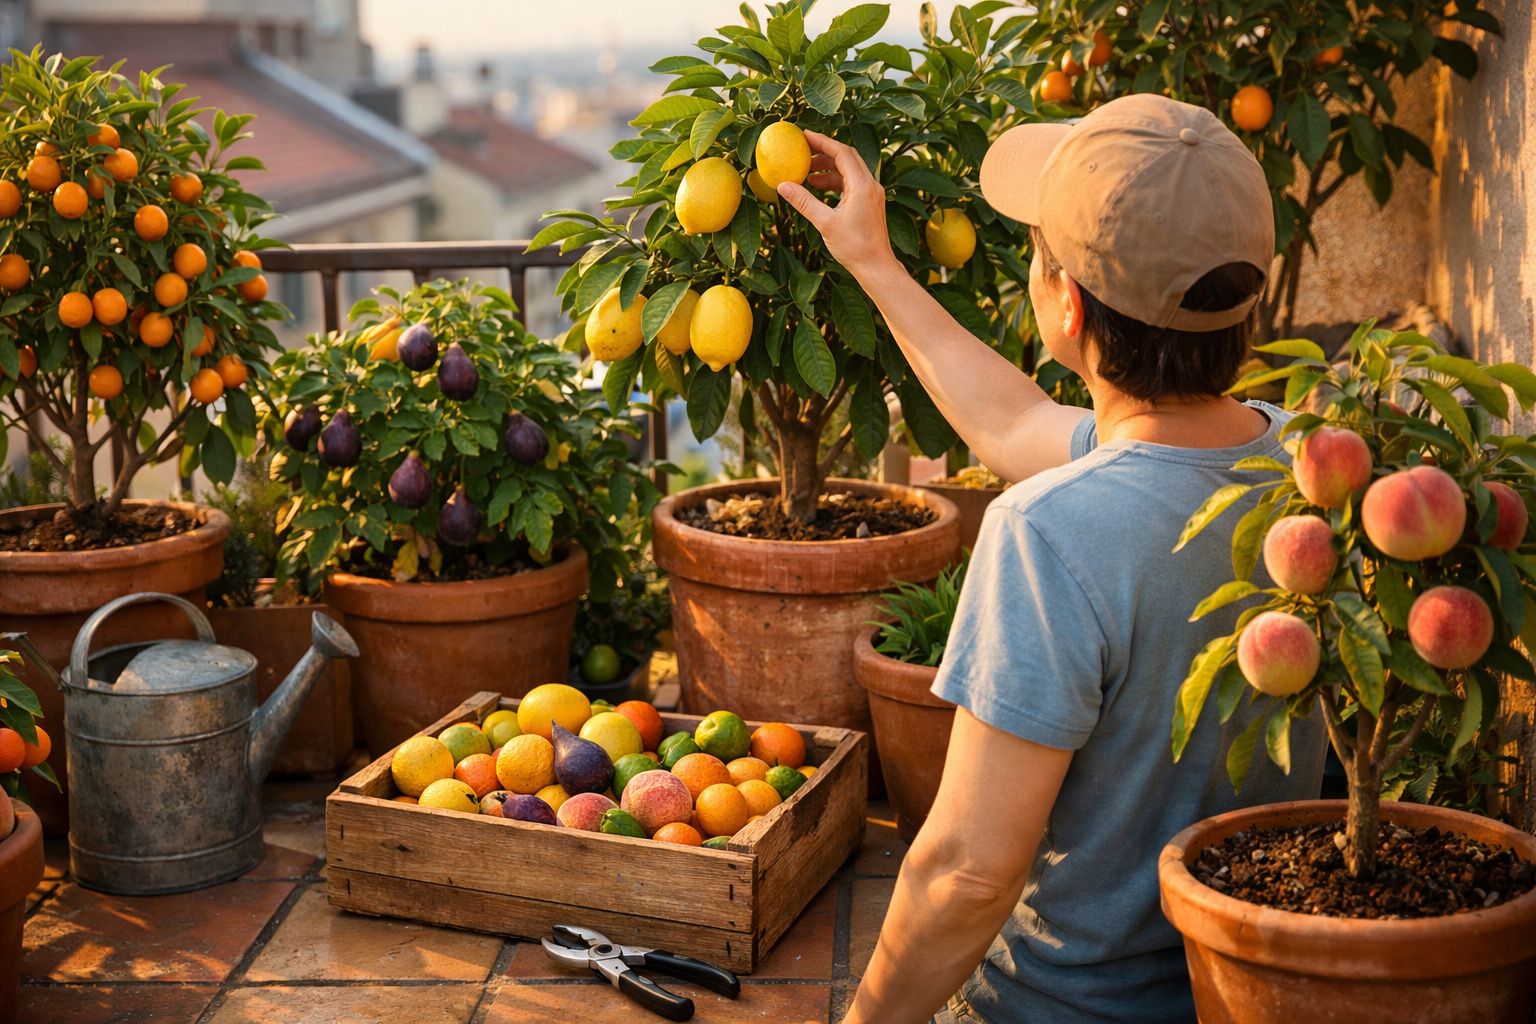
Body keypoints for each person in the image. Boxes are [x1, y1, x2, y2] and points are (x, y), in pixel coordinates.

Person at [776, 94, 1330, 1023]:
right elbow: (1015, 421)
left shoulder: (1050, 532)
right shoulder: (1308, 470)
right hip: (1240, 994)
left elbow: (965, 875)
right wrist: (868, 258)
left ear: (1063, 304)